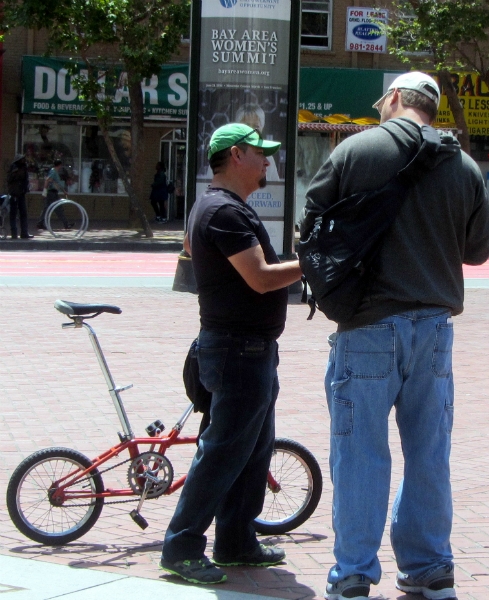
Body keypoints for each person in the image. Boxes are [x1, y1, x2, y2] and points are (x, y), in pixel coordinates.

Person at [300, 72, 489, 600]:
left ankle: (355, 575)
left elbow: (310, 226)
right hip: (433, 326)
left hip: (366, 323)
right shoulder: (464, 165)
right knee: (429, 451)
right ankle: (430, 566)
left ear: (392, 100)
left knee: (360, 451)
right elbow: (477, 251)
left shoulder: (356, 150)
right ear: (431, 107)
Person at [160, 123, 302, 585]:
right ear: (236, 155)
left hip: (248, 349)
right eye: (261, 154)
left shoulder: (216, 207)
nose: (268, 162)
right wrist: (316, 261)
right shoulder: (225, 212)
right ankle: (181, 547)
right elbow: (260, 277)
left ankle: (236, 540)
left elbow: (190, 250)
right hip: (239, 351)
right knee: (222, 453)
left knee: (253, 451)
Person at [37, 159, 71, 230]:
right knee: (58, 207)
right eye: (61, 165)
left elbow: (57, 184)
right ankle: (66, 224)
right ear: (59, 165)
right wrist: (44, 191)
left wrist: (64, 191)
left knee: (46, 208)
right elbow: (47, 180)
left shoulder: (54, 172)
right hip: (52, 193)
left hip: (52, 192)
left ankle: (40, 223)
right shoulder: (53, 172)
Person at [6, 154, 33, 239]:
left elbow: (25, 180)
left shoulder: (24, 167)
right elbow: (9, 180)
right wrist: (16, 173)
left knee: (23, 214)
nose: (24, 160)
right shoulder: (14, 167)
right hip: (14, 194)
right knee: (13, 214)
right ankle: (14, 234)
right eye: (22, 159)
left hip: (21, 193)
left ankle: (24, 233)